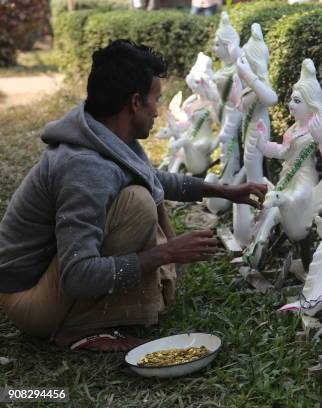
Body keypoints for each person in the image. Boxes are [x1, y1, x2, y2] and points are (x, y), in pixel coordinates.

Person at [0, 40, 267, 352]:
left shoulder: (102, 132)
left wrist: (224, 191)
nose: (158, 110)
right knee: (139, 204)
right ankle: (75, 328)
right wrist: (165, 254)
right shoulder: (85, 169)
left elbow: (154, 178)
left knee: (143, 196)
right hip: (28, 300)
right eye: (156, 100)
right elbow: (76, 275)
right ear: (136, 103)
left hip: (45, 278)